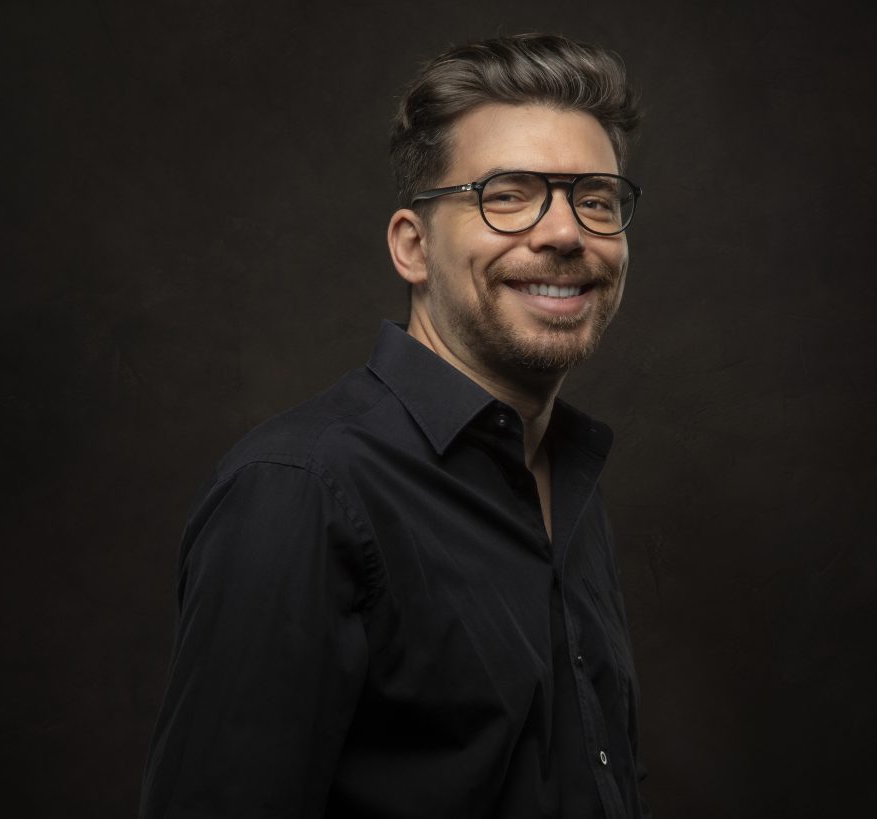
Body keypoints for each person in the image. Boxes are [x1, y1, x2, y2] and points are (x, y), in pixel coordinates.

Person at [140, 32, 648, 819]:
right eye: (508, 194)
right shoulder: (301, 491)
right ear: (413, 246)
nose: (563, 232)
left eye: (597, 201)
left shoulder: (564, 474)